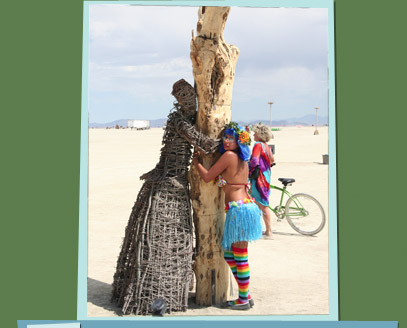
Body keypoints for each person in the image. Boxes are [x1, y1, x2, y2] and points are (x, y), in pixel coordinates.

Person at [192, 121, 262, 310]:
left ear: (239, 141)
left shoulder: (229, 156)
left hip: (239, 210)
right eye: (225, 137)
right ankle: (245, 295)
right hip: (243, 208)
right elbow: (226, 180)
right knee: (232, 255)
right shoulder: (242, 159)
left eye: (231, 138)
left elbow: (207, 177)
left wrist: (196, 162)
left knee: (239, 256)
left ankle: (243, 300)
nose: (227, 141)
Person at [249, 124, 275, 239]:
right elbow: (272, 160)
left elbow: (254, 160)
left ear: (260, 135)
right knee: (262, 203)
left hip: (259, 178)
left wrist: (247, 168)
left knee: (262, 204)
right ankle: (266, 230)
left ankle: (269, 231)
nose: (253, 134)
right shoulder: (266, 146)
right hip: (266, 176)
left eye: (255, 133)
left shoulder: (258, 145)